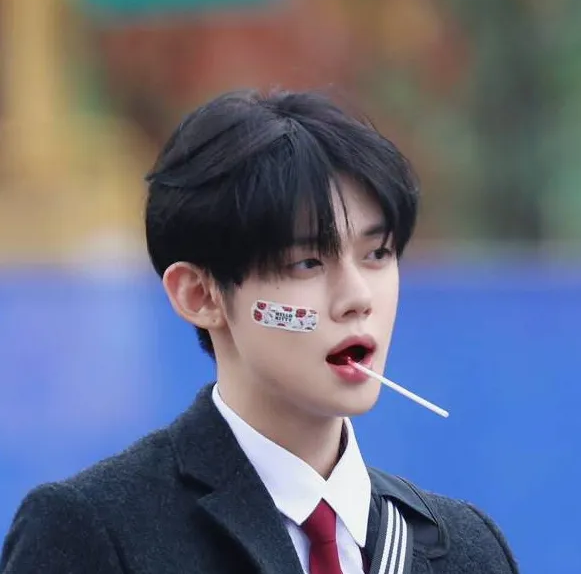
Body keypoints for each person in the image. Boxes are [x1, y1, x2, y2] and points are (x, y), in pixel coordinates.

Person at [0, 89, 519, 574]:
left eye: (378, 253)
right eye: (307, 262)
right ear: (200, 295)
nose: (358, 297)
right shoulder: (94, 532)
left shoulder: (465, 549)